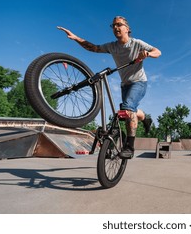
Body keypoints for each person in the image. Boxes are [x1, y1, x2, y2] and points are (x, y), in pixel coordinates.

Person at [57, 16, 161, 159]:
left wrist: (147, 54)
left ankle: (130, 147)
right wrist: (76, 38)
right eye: (113, 26)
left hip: (139, 82)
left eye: (119, 24)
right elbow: (93, 47)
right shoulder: (112, 46)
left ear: (127, 29)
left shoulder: (137, 43)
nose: (116, 27)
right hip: (125, 85)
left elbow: (158, 51)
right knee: (126, 112)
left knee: (128, 108)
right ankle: (145, 119)